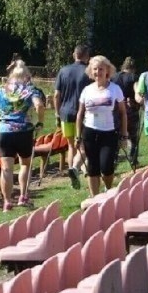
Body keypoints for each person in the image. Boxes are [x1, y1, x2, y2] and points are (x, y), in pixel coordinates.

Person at [0, 61, 45, 211]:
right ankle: (23, 196)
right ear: (27, 76)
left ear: (10, 76)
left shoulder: (0, 89)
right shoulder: (30, 90)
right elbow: (39, 105)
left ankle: (7, 201)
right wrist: (40, 122)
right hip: (23, 131)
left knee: (6, 169)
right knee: (25, 164)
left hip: (3, 131)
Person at [75, 55, 129, 197]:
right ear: (90, 71)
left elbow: (123, 113)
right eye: (95, 69)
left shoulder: (115, 89)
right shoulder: (87, 90)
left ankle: (108, 190)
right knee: (92, 168)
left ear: (107, 71)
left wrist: (124, 135)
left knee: (106, 167)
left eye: (101, 69)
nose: (97, 72)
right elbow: (80, 114)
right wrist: (77, 135)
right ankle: (95, 198)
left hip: (108, 132)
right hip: (89, 132)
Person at [53, 44, 92, 189]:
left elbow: (57, 95)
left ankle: (73, 169)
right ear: (87, 56)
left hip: (65, 113)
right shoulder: (88, 72)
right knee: (84, 145)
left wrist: (57, 113)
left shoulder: (63, 71)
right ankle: (84, 169)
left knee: (71, 145)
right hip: (83, 114)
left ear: (74, 55)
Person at [112, 56, 141, 167]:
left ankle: (114, 160)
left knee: (117, 136)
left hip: (117, 110)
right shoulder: (134, 77)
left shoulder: (114, 77)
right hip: (131, 109)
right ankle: (133, 160)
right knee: (133, 137)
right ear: (133, 68)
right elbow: (137, 90)